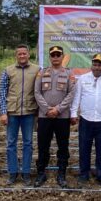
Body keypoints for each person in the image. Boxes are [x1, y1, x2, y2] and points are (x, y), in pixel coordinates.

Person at [70, 53, 101, 188]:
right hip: (86, 120)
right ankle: (84, 174)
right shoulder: (83, 79)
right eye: (95, 64)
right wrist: (73, 113)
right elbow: (77, 97)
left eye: (99, 64)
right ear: (91, 65)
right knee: (84, 148)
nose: (97, 67)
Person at [33, 45, 77, 188]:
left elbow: (71, 93)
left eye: (58, 55)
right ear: (50, 57)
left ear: (62, 57)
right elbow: (37, 92)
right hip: (44, 117)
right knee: (43, 146)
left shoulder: (69, 73)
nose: (56, 57)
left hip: (62, 117)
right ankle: (41, 173)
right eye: (53, 55)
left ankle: (61, 174)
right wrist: (47, 109)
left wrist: (57, 109)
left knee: (63, 146)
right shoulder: (42, 72)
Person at [0, 44, 39, 186]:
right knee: (11, 144)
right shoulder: (8, 70)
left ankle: (26, 172)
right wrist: (3, 112)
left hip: (29, 112)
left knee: (28, 143)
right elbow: (3, 91)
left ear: (29, 54)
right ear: (16, 55)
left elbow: (39, 91)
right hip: (12, 113)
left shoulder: (36, 70)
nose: (22, 56)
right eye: (19, 54)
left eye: (24, 53)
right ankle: (13, 172)